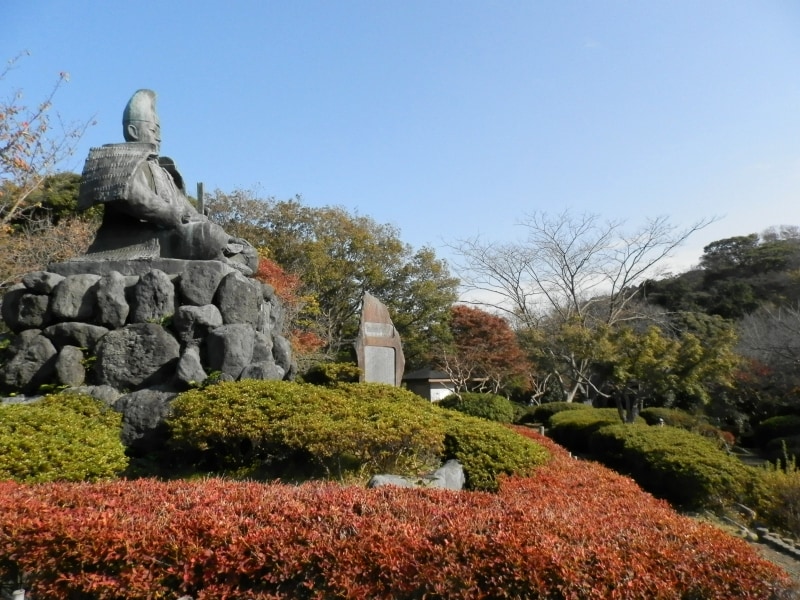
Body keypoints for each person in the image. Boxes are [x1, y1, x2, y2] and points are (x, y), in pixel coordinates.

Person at [78, 89, 258, 274]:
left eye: (159, 131)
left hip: (171, 232)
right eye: (153, 130)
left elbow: (186, 210)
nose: (159, 137)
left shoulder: (163, 172)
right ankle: (218, 255)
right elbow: (134, 198)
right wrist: (172, 214)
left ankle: (225, 256)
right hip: (140, 240)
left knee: (245, 250)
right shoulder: (118, 161)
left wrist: (201, 218)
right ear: (133, 131)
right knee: (209, 236)